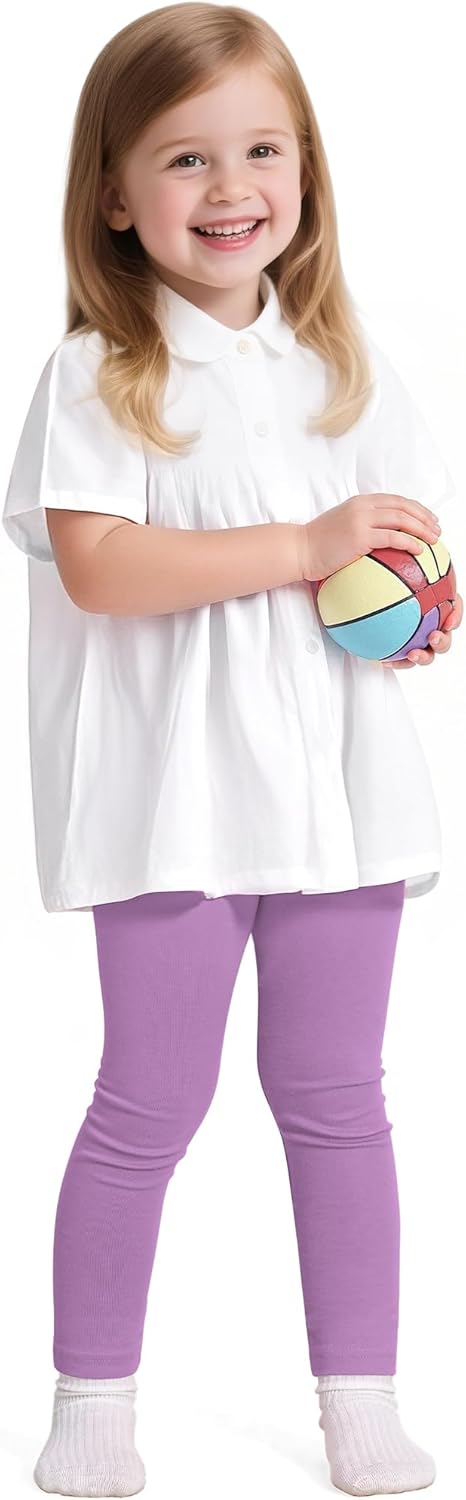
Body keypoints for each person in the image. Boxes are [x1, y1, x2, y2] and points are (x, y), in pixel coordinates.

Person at [2, 5, 462, 1497]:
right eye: (185, 157)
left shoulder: (344, 365)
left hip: (336, 801)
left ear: (305, 171)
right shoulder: (102, 371)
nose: (231, 186)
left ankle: (359, 1397)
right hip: (173, 802)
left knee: (338, 1100)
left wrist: (415, 604)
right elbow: (102, 570)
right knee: (148, 1101)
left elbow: (394, 546)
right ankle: (93, 1400)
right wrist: (308, 546)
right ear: (114, 195)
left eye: (262, 149)